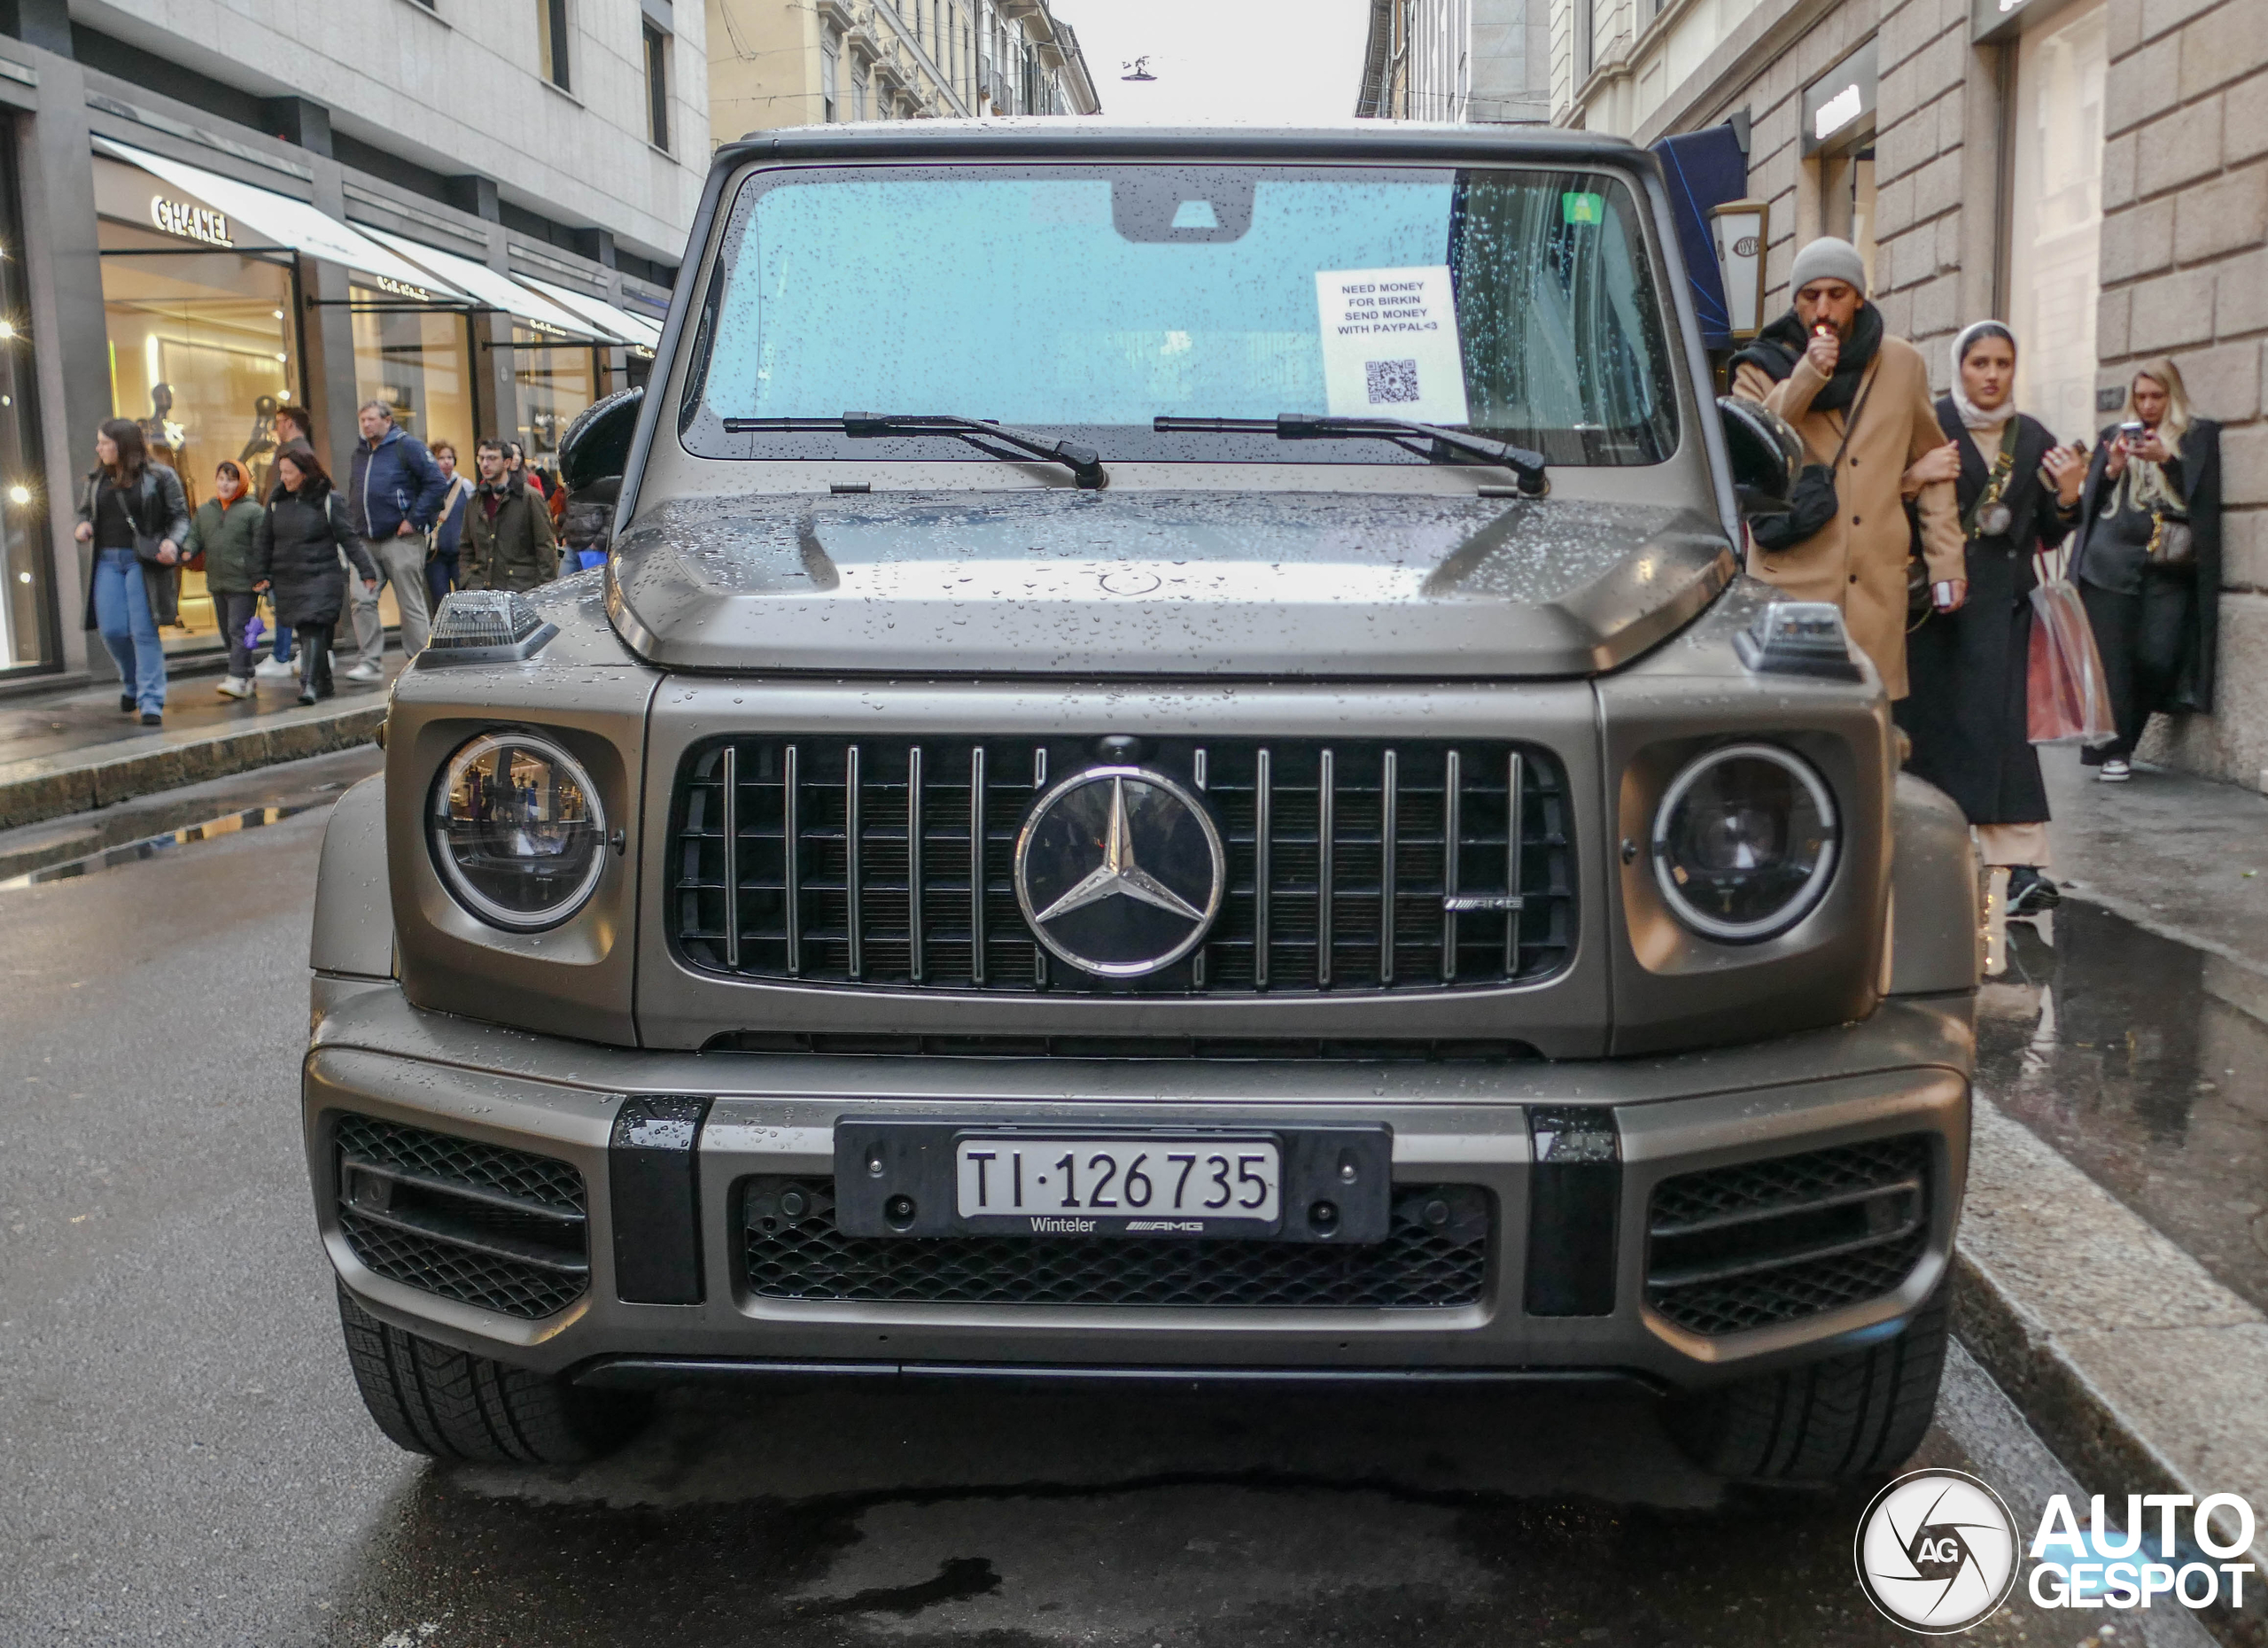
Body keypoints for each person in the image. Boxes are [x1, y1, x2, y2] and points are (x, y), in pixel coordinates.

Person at [1894, 322, 2089, 914]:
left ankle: (2021, 867)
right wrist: (1914, 480)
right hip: (1936, 613)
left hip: (2006, 612)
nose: (1991, 374)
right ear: (1960, 367)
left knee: (2008, 736)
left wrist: (2068, 496)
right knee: (1935, 733)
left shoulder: (2031, 437)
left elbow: (2048, 531)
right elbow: (1879, 502)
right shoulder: (1928, 426)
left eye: (2003, 363)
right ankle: (1929, 850)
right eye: (1979, 362)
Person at [1730, 237, 1967, 699]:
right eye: (1809, 296)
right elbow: (1751, 450)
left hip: (1874, 589)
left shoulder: (1901, 364)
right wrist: (1805, 378)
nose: (1823, 308)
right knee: (1791, 714)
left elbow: (1933, 466)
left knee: (1867, 724)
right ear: (1794, 302)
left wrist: (1947, 564)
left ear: (1858, 297)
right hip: (1791, 584)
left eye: (1836, 294)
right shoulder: (1760, 367)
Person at [2072, 358, 2224, 781]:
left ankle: (2124, 741)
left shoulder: (2197, 437)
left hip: (2168, 566)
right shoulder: (2113, 437)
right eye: (2140, 397)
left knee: (2156, 658)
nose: (2148, 405)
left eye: (2157, 396)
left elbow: (2202, 499)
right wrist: (2114, 469)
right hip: (2110, 561)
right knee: (2112, 664)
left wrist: (2168, 461)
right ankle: (2115, 752)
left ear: (2172, 396)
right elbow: (2090, 506)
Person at [74, 418, 190, 727]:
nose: (98, 448)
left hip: (143, 561)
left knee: (143, 631)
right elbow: (86, 510)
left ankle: (151, 700)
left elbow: (180, 516)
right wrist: (84, 525)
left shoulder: (160, 476)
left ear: (122, 445)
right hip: (108, 561)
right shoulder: (97, 477)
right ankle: (132, 681)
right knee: (112, 630)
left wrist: (172, 542)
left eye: (104, 442)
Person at [253, 442, 378, 706]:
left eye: (289, 472)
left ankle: (308, 683)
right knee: (309, 629)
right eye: (282, 472)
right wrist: (261, 573)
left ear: (305, 473)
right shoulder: (277, 503)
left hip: (322, 575)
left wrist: (366, 570)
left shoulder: (329, 500)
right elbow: (265, 540)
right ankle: (324, 681)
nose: (284, 478)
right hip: (289, 576)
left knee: (312, 626)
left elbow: (349, 538)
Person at [344, 400, 445, 683]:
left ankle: (419, 662)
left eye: (371, 419)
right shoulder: (359, 453)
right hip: (366, 540)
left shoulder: (407, 446)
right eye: (362, 420)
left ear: (387, 420)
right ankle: (370, 662)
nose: (366, 425)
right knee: (361, 599)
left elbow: (436, 483)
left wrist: (414, 519)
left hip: (401, 539)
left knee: (410, 602)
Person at [183, 459, 268, 700]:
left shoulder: (253, 512)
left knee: (237, 629)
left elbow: (262, 546)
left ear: (241, 482)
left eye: (231, 479)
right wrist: (187, 550)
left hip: (244, 583)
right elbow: (195, 535)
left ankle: (238, 677)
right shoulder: (207, 511)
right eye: (221, 478)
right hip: (217, 581)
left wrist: (262, 576)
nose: (225, 484)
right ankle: (247, 674)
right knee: (227, 633)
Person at [253, 403, 316, 683]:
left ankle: (285, 654)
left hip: (289, 536)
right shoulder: (295, 450)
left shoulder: (297, 452)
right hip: (284, 532)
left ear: (289, 423)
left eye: (278, 422)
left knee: (288, 598)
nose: (275, 428)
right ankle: (298, 652)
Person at [462, 436, 559, 592]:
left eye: (492, 458)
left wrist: (543, 591)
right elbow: (466, 547)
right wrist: (469, 580)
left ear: (507, 463)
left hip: (521, 590)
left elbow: (545, 548)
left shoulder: (529, 498)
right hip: (481, 590)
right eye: (481, 459)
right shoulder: (475, 501)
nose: (485, 464)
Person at [428, 439, 473, 610]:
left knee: (465, 600)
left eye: (450, 457)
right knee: (441, 602)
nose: (447, 461)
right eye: (441, 458)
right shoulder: (427, 487)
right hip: (435, 553)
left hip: (460, 552)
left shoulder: (465, 486)